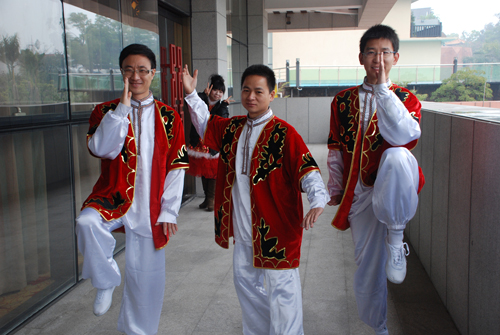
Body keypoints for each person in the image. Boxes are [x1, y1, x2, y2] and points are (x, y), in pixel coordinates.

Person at [183, 63, 329, 335]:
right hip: (243, 228)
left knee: (282, 289)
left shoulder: (284, 133)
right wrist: (192, 94)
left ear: (272, 94)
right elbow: (206, 124)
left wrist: (318, 198)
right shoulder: (233, 128)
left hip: (277, 228)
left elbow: (307, 169)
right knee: (245, 285)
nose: (251, 96)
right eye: (246, 90)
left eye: (258, 91)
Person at [75, 44, 189, 335]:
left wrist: (169, 211)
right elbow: (101, 149)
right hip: (113, 197)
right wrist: (122, 110)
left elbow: (177, 168)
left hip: (149, 207)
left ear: (153, 73)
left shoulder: (169, 117)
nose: (135, 76)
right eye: (129, 70)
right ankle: (105, 280)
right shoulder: (105, 111)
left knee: (146, 282)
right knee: (86, 221)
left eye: (142, 70)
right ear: (121, 73)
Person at [326, 24, 425, 335]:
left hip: (394, 185)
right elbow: (335, 149)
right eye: (371, 52)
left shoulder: (406, 99)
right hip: (360, 193)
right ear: (361, 57)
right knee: (367, 268)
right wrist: (336, 190)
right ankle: (378, 328)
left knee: (396, 156)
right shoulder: (342, 101)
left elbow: (405, 136)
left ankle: (397, 236)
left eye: (384, 52)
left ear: (395, 57)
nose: (378, 59)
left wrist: (383, 91)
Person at [187, 74, 232, 211]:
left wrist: (223, 105)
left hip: (212, 143)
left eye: (221, 91)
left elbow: (221, 119)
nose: (218, 94)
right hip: (199, 142)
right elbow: (195, 104)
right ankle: (207, 199)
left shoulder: (222, 106)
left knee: (212, 172)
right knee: (203, 171)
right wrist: (204, 96)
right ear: (210, 89)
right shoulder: (202, 99)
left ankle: (211, 199)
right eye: (215, 90)